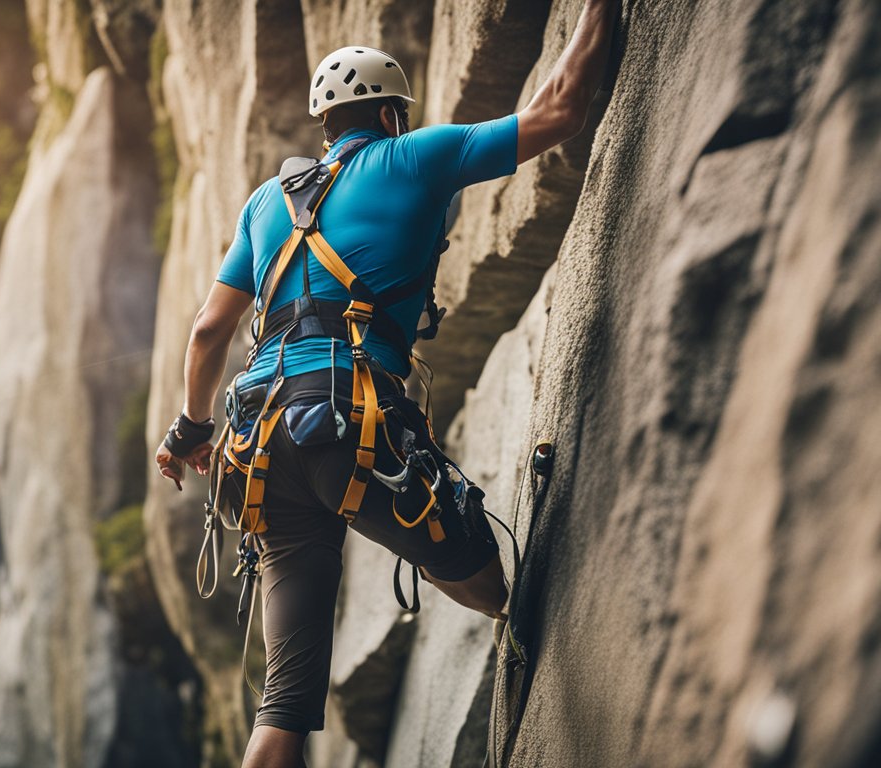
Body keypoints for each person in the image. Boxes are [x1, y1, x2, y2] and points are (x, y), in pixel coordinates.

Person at [156, 2, 616, 765]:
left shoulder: (265, 203)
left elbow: (209, 333)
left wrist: (189, 431)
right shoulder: (415, 158)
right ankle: (528, 643)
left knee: (284, 701)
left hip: (256, 450)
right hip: (346, 418)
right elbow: (559, 109)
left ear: (324, 122)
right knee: (489, 586)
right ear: (393, 113)